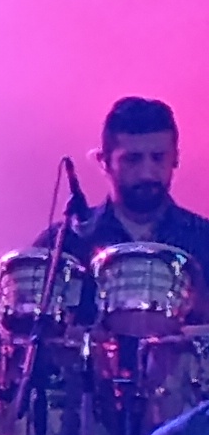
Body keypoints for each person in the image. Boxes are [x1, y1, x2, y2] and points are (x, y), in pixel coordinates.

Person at [57, 97, 209, 302]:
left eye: (158, 158)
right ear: (104, 162)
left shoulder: (204, 239)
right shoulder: (65, 242)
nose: (147, 173)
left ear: (175, 158)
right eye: (132, 159)